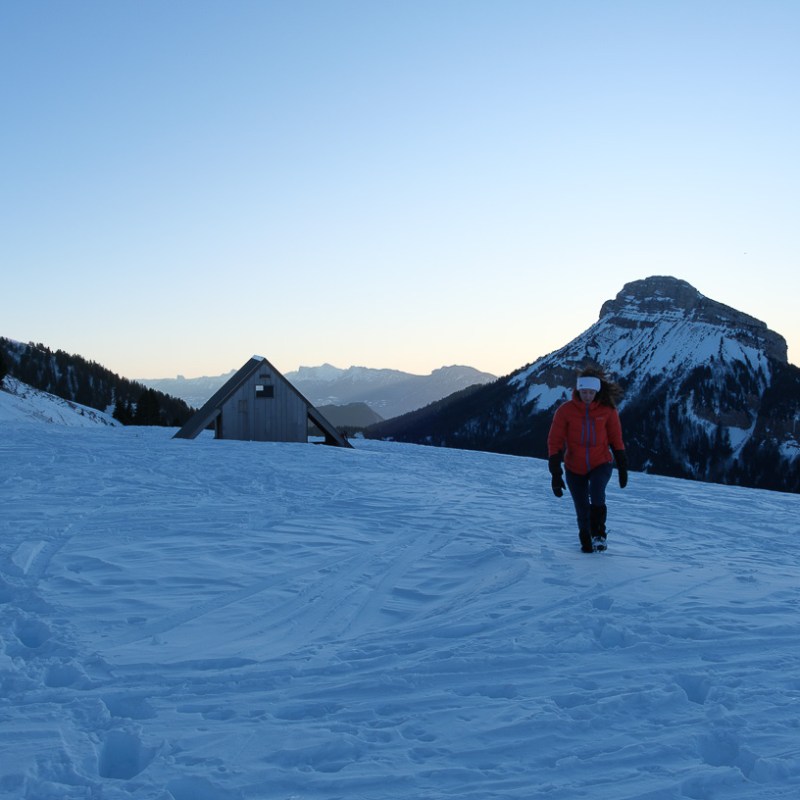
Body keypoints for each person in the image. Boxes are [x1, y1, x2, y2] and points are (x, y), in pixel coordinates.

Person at [547, 368, 628, 553]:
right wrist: (555, 472)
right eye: (584, 392)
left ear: (597, 392)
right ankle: (585, 533)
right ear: (578, 391)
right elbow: (555, 440)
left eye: (591, 392)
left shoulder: (607, 411)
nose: (588, 396)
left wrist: (622, 464)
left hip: (601, 463)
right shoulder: (565, 411)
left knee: (597, 490)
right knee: (581, 505)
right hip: (574, 466)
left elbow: (616, 438)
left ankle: (599, 534)